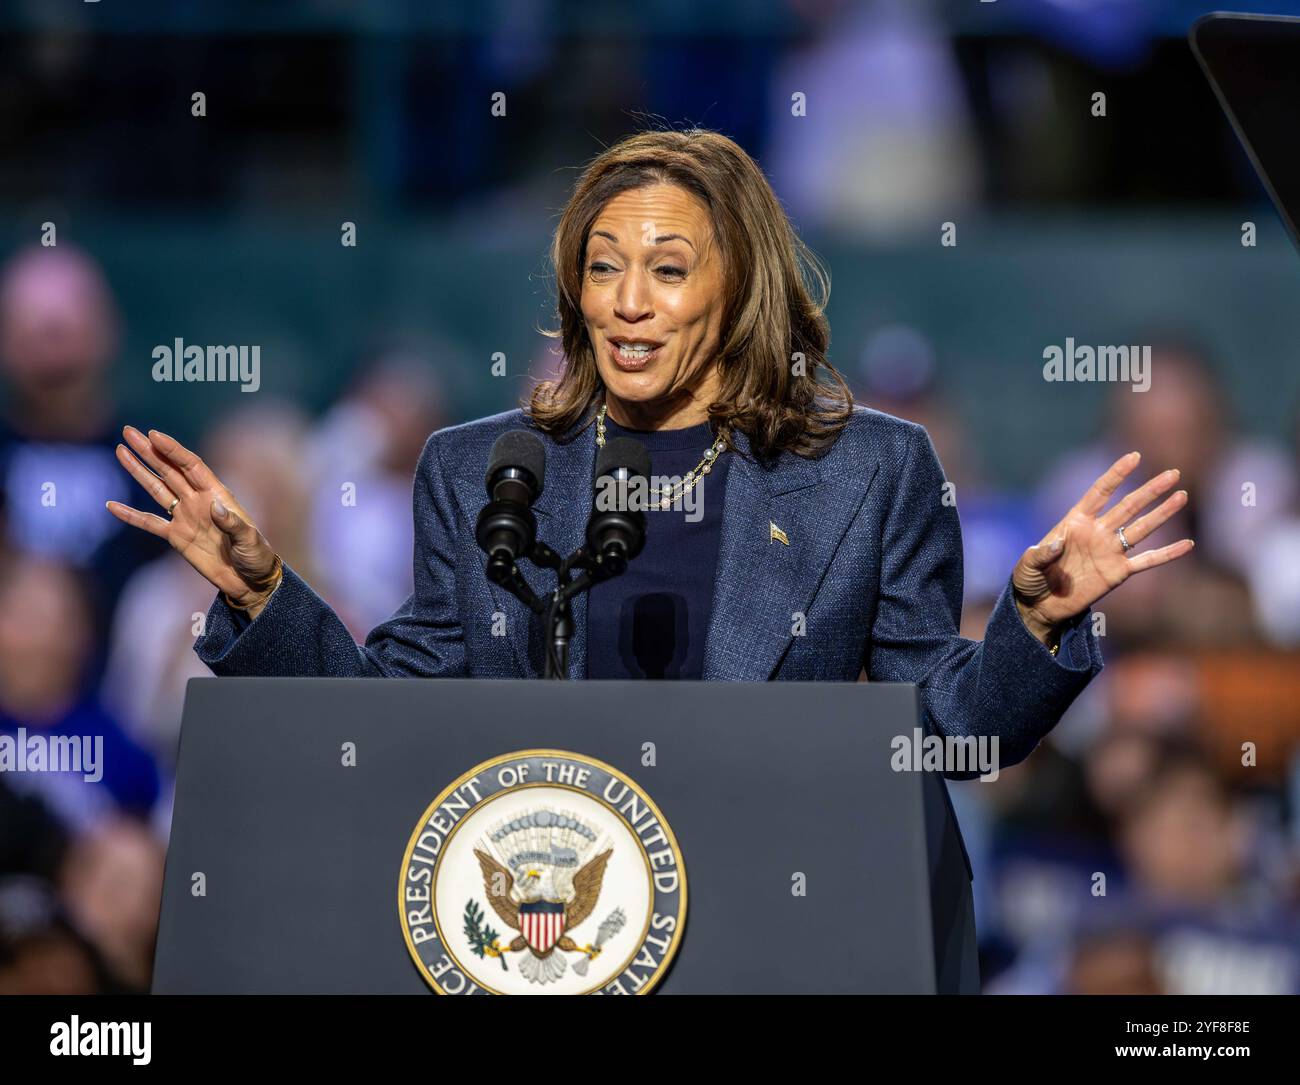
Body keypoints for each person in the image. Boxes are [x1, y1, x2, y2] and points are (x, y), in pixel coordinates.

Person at [105, 128, 1193, 768]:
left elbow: (948, 732)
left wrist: (1039, 623)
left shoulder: (868, 471)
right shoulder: (480, 469)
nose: (627, 303)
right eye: (600, 266)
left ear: (738, 286)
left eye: (668, 268)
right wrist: (263, 597)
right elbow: (390, 720)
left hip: (781, 915)